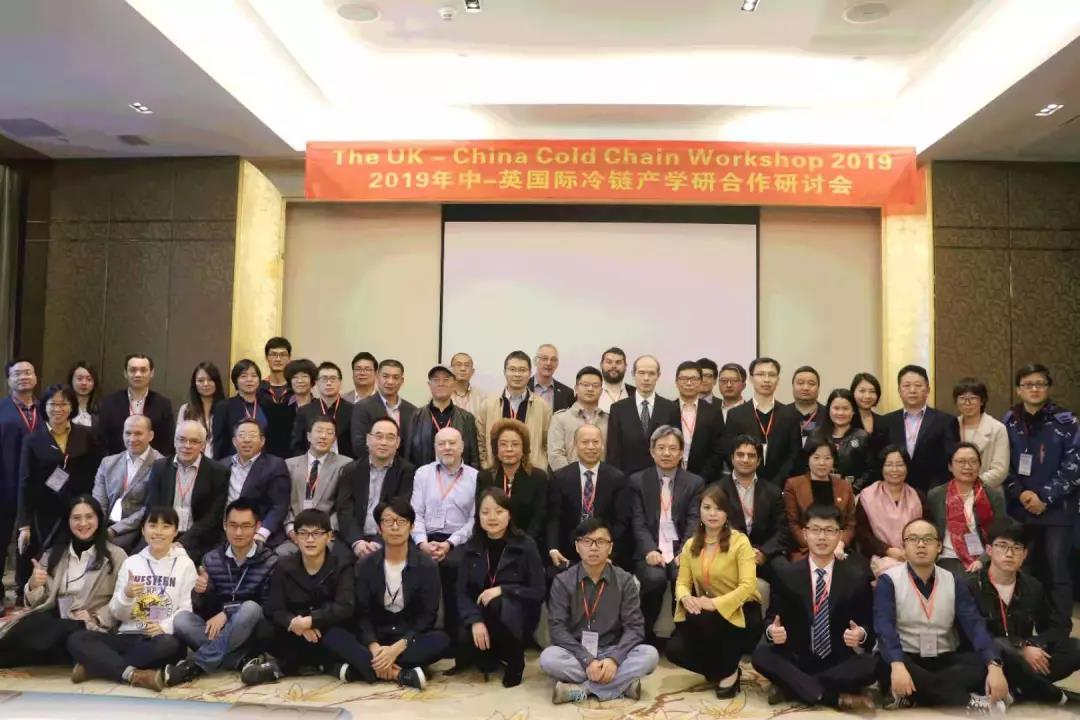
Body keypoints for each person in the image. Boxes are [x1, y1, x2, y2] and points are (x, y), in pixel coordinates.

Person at [872, 518, 1009, 711]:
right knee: (886, 665)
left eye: (928, 539)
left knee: (990, 660)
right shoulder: (889, 580)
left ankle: (912, 695)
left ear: (939, 547)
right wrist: (897, 664)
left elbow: (974, 624)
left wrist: (994, 665)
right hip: (905, 658)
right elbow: (884, 626)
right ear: (904, 547)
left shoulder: (953, 580)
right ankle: (970, 705)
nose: (921, 544)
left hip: (943, 659)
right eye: (913, 539)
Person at [751, 505, 877, 712]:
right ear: (805, 534)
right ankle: (832, 697)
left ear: (839, 535)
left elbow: (869, 626)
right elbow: (772, 618)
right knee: (762, 655)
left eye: (829, 530)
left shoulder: (856, 577)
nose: (822, 537)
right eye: (815, 530)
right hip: (796, 656)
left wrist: (860, 634)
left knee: (875, 664)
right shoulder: (786, 574)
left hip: (837, 660)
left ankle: (792, 687)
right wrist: (773, 631)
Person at [67, 506, 196, 691]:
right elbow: (116, 613)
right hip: (128, 635)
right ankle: (133, 674)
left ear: (176, 532)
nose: (158, 532)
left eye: (166, 526)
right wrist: (126, 595)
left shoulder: (185, 565)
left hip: (160, 638)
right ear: (143, 530)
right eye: (153, 525)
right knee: (77, 638)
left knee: (171, 646)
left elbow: (186, 610)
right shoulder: (131, 563)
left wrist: (164, 627)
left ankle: (97, 667)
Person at [240, 509, 367, 686]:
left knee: (337, 636)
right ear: (296, 537)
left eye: (316, 533)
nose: (310, 539)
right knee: (265, 629)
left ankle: (292, 666)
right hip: (296, 635)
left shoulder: (342, 565)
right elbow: (273, 608)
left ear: (329, 536)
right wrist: (293, 623)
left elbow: (345, 606)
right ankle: (319, 666)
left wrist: (311, 621)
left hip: (327, 631)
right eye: (304, 533)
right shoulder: (284, 566)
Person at [540, 518, 659, 704]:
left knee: (650, 655)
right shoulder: (562, 581)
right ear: (577, 546)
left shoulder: (625, 581)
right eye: (587, 541)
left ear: (610, 547)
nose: (594, 548)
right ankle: (622, 686)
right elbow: (557, 628)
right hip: (577, 652)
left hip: (613, 649)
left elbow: (635, 628)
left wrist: (614, 659)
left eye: (601, 541)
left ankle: (582, 691)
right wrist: (587, 660)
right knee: (548, 658)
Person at [163, 498, 277, 686]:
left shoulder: (270, 561)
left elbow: (267, 606)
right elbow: (203, 609)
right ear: (225, 525)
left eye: (245, 526)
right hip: (220, 630)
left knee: (250, 608)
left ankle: (197, 665)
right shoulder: (211, 558)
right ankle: (239, 660)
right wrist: (201, 592)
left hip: (251, 629)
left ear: (257, 527)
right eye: (233, 525)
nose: (238, 532)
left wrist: (227, 613)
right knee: (181, 619)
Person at [0, 495, 125, 667]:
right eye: (76, 518)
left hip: (86, 624)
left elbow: (122, 599)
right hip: (54, 620)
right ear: (68, 521)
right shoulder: (54, 554)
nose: (83, 523)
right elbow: (35, 603)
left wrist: (96, 617)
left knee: (64, 632)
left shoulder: (116, 556)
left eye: (89, 517)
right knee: (31, 625)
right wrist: (35, 584)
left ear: (99, 519)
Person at [1001, 363, 1079, 633]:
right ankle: (1023, 631)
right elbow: (1003, 464)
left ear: (1048, 388)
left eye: (1040, 384)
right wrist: (1021, 493)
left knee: (1057, 571)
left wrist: (1044, 497)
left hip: (1058, 510)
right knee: (1024, 570)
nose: (1034, 389)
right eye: (1028, 384)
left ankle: (1057, 632)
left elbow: (1074, 466)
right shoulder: (1009, 421)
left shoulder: (1067, 421)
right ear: (1018, 389)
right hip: (1020, 508)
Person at [969, 519, 1080, 707]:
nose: (1009, 554)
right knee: (999, 644)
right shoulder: (971, 585)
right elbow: (973, 635)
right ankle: (1043, 692)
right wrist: (1020, 647)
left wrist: (1032, 644)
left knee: (1075, 648)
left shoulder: (1033, 586)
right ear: (989, 550)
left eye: (1017, 548)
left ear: (1025, 554)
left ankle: (1018, 690)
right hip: (988, 662)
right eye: (1002, 546)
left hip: (1024, 661)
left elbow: (1056, 628)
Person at [666, 484, 762, 698]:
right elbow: (682, 582)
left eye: (719, 508)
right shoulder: (691, 545)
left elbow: (748, 586)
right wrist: (685, 597)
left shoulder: (740, 542)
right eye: (707, 507)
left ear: (727, 513)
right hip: (709, 613)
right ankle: (725, 670)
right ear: (699, 511)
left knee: (702, 619)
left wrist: (714, 603)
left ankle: (726, 669)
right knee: (674, 647)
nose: (712, 514)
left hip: (743, 610)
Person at [351, 498, 449, 690]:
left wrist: (396, 649)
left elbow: (427, 617)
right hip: (377, 636)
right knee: (338, 635)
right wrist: (374, 647)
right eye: (388, 521)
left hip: (408, 638)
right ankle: (401, 673)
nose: (395, 527)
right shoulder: (365, 565)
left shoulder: (427, 565)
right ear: (379, 528)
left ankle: (361, 668)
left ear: (411, 527)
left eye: (402, 521)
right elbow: (362, 613)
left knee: (441, 641)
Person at [455, 488, 544, 686]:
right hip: (482, 616)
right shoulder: (471, 547)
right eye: (485, 512)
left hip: (516, 617)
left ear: (509, 514)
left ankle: (515, 659)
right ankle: (492, 653)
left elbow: (538, 592)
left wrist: (504, 590)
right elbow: (462, 593)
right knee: (472, 652)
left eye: (499, 511)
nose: (492, 517)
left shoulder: (526, 545)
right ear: (478, 516)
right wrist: (475, 621)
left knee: (498, 602)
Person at [17, 384, 104, 579]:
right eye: (53, 404)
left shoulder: (88, 434)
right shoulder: (32, 440)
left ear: (72, 406)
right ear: (44, 406)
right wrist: (24, 524)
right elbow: (25, 483)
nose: (58, 409)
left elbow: (98, 472)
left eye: (63, 404)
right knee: (43, 560)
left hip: (79, 509)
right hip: (44, 512)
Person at [629, 426, 705, 647]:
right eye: (661, 448)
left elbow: (694, 521)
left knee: (682, 577)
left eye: (672, 448)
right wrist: (649, 550)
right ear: (652, 452)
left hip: (680, 548)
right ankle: (643, 636)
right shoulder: (637, 481)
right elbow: (638, 522)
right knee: (654, 579)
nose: (666, 453)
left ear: (681, 453)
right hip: (650, 549)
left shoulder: (694, 483)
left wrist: (684, 552)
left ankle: (681, 638)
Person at [410, 427, 478, 642]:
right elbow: (415, 513)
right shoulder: (423, 473)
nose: (447, 448)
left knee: (455, 566)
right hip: (426, 537)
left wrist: (450, 543)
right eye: (442, 443)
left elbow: (474, 520)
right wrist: (422, 543)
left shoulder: (475, 477)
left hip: (458, 540)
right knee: (414, 565)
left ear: (462, 446)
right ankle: (418, 634)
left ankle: (453, 636)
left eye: (452, 443)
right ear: (435, 448)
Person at [142, 420, 230, 563]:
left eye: (194, 441)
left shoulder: (218, 472)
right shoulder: (160, 467)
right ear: (174, 441)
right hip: (162, 534)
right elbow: (152, 506)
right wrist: (163, 538)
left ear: (203, 445)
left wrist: (182, 542)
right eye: (182, 440)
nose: (187, 446)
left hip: (198, 539)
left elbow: (213, 517)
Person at [548, 424, 631, 573]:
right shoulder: (560, 477)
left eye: (595, 442)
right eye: (585, 442)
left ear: (602, 445)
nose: (591, 447)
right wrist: (554, 548)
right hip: (569, 550)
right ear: (575, 446)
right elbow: (554, 517)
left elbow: (621, 521)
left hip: (604, 548)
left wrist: (610, 551)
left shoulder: (617, 478)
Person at [337, 417, 416, 559]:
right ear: (368, 439)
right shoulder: (350, 470)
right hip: (354, 538)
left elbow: (401, 510)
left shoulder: (407, 472)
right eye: (378, 436)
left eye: (390, 438)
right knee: (340, 562)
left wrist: (378, 542)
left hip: (390, 538)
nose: (383, 442)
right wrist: (357, 542)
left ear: (398, 443)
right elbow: (345, 510)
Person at [926, 443, 1005, 579]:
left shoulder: (992, 496)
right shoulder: (937, 495)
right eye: (961, 462)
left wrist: (983, 560)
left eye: (973, 461)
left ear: (979, 465)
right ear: (950, 466)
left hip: (983, 558)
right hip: (947, 557)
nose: (967, 467)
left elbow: (1000, 534)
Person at [715, 435, 788, 581]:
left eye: (751, 456)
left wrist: (764, 552)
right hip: (728, 553)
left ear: (759, 461)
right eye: (740, 455)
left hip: (763, 554)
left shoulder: (773, 492)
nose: (745, 460)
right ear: (732, 458)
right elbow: (713, 528)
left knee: (783, 569)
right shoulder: (717, 490)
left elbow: (782, 530)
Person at [722, 357, 801, 487]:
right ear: (751, 379)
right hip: (745, 484)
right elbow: (728, 452)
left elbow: (794, 454)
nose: (766, 379)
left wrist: (777, 483)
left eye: (772, 375)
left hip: (781, 486)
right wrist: (746, 478)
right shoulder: (736, 414)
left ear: (778, 380)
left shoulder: (790, 414)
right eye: (760, 374)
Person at [881, 364, 958, 493]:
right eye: (906, 386)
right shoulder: (885, 422)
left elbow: (951, 460)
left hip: (934, 491)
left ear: (928, 390)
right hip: (893, 491)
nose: (912, 390)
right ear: (899, 391)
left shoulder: (946, 421)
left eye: (918, 385)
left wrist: (937, 491)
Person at [0, 358, 39, 609]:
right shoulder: (2, 410)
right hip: (4, 486)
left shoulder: (46, 409)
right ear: (8, 380)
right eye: (17, 373)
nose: (23, 377)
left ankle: (26, 591)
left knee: (31, 542)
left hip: (36, 489)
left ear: (35, 377)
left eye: (28, 372)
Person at [92, 414, 163, 551]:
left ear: (151, 436)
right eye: (128, 433)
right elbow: (99, 502)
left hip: (138, 530)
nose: (132, 439)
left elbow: (149, 509)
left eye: (138, 433)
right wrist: (97, 526)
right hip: (104, 525)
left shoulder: (161, 465)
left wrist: (113, 530)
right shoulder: (108, 463)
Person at [281, 416, 351, 555]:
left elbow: (344, 506)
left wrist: (324, 532)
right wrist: (291, 530)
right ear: (308, 436)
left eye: (329, 433)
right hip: (295, 534)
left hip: (327, 535)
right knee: (280, 555)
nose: (323, 436)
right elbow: (282, 503)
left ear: (334, 439)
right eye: (319, 431)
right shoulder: (289, 465)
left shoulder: (345, 465)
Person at [855, 445, 928, 577]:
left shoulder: (918, 496)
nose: (894, 470)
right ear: (881, 467)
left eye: (900, 464)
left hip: (915, 555)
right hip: (880, 557)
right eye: (889, 465)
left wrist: (911, 550)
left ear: (907, 467)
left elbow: (928, 528)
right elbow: (862, 533)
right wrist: (887, 550)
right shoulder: (867, 496)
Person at [475, 350, 552, 471]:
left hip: (531, 473)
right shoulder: (488, 405)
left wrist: (540, 468)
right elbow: (480, 441)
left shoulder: (543, 406)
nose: (517, 374)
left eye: (522, 370)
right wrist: (487, 465)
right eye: (512, 369)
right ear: (504, 372)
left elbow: (548, 443)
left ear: (530, 373)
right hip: (496, 473)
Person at [782, 437, 855, 562]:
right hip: (805, 550)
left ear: (833, 460)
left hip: (838, 549)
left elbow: (850, 524)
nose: (822, 463)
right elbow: (792, 524)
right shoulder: (794, 485)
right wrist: (816, 546)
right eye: (816, 458)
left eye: (827, 458)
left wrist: (840, 544)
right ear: (808, 459)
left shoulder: (844, 486)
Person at [475, 418, 548, 544]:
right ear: (496, 449)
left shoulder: (538, 477)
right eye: (503, 444)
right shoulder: (485, 477)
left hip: (527, 543)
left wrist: (524, 544)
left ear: (524, 448)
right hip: (492, 541)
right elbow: (480, 514)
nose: (509, 449)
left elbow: (539, 518)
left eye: (515, 444)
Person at [605, 354, 679, 476]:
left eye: (651, 373)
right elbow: (613, 452)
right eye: (641, 373)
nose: (646, 378)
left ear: (658, 376)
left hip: (662, 477)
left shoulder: (671, 409)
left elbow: (676, 448)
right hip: (627, 479)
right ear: (633, 374)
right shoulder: (618, 409)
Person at [224, 418, 291, 548]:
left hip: (259, 534)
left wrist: (262, 534)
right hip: (227, 533)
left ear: (262, 441)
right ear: (234, 441)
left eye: (252, 435)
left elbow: (279, 505)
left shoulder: (275, 465)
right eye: (242, 435)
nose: (247, 440)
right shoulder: (223, 465)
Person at [97, 354, 174, 456]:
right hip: (117, 462)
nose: (138, 374)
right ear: (125, 373)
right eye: (133, 370)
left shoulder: (163, 404)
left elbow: (167, 441)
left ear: (151, 373)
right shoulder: (110, 402)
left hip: (152, 463)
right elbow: (102, 438)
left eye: (143, 370)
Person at [407, 364, 480, 469]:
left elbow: (473, 458)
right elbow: (408, 455)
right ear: (429, 385)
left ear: (454, 384)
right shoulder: (415, 416)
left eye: (446, 380)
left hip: (457, 476)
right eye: (436, 380)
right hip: (424, 476)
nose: (441, 384)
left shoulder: (466, 418)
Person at [350, 359, 417, 461]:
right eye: (385, 376)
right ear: (377, 377)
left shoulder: (412, 410)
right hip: (372, 467)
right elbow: (359, 445)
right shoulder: (362, 407)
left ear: (402, 381)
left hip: (404, 468)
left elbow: (413, 447)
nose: (390, 381)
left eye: (395, 377)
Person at [548, 365, 609, 471]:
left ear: (601, 390)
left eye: (595, 385)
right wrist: (573, 476)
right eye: (585, 385)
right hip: (568, 478)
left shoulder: (608, 419)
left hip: (602, 478)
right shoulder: (560, 418)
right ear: (576, 388)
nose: (590, 389)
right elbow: (555, 454)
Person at [672, 361, 725, 481]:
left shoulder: (713, 412)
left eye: (694, 379)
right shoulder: (668, 409)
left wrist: (701, 479)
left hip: (704, 479)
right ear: (676, 382)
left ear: (701, 382)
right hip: (671, 477)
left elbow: (718, 450)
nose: (689, 383)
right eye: (684, 379)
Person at [811, 389, 873, 491]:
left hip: (853, 493)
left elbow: (870, 470)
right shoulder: (816, 434)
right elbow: (807, 465)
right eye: (836, 408)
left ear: (853, 411)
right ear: (829, 409)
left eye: (845, 408)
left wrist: (854, 489)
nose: (840, 413)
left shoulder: (862, 437)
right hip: (819, 490)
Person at [291, 361, 355, 458]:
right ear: (316, 383)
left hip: (345, 463)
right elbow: (296, 445)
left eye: (333, 378)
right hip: (313, 464)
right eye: (324, 379)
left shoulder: (353, 410)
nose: (328, 383)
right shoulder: (304, 411)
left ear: (340, 382)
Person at [954, 378, 1009, 488]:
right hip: (955, 491)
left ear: (982, 401)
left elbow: (1000, 470)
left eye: (973, 398)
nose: (967, 403)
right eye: (962, 398)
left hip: (988, 490)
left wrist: (972, 484)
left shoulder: (997, 428)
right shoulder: (951, 425)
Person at [212, 359, 269, 461]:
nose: (249, 379)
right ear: (236, 381)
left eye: (254, 376)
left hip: (263, 462)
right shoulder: (224, 407)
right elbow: (219, 442)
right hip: (234, 463)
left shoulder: (267, 405)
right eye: (243, 376)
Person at [177, 362, 225, 459]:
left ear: (217, 382)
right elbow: (178, 440)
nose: (205, 384)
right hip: (191, 461)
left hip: (219, 462)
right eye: (200, 380)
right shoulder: (186, 410)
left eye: (210, 380)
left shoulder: (226, 408)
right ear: (194, 384)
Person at [528, 344, 574, 412]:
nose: (549, 363)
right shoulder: (524, 387)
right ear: (535, 361)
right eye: (544, 359)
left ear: (557, 364)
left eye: (553, 359)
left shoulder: (567, 393)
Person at [791, 366, 827, 449]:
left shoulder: (829, 415)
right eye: (800, 383)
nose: (805, 388)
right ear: (793, 386)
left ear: (818, 388)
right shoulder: (781, 414)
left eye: (811, 384)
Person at [597, 346, 635, 414]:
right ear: (601, 365)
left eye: (618, 362)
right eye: (609, 362)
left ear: (625, 366)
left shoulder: (636, 393)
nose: (613, 366)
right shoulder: (591, 392)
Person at [259, 336, 293, 405]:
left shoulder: (296, 387)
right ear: (266, 358)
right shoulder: (258, 388)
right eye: (273, 355)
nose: (278, 359)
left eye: (283, 355)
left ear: (289, 358)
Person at [68, 361, 99, 428]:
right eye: (79, 379)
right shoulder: (63, 406)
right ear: (71, 380)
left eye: (89, 379)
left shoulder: (103, 408)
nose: (84, 383)